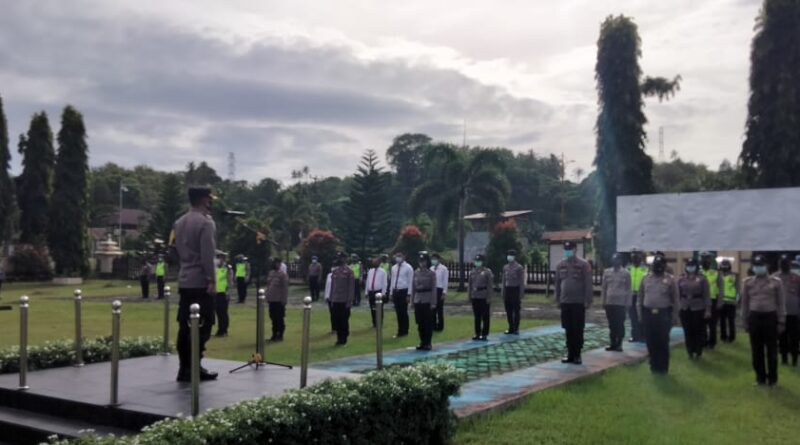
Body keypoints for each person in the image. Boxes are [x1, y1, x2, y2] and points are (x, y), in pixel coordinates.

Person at [171, 185, 218, 382]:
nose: (211, 203)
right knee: (204, 325)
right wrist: (212, 279)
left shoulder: (179, 222)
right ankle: (194, 366)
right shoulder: (206, 223)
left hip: (185, 279)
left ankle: (184, 368)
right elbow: (207, 255)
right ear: (204, 200)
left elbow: (173, 250)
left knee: (185, 325)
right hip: (200, 281)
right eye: (209, 199)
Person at [742, 254, 785, 386]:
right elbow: (745, 303)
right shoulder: (748, 282)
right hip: (754, 318)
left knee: (772, 350)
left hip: (770, 317)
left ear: (766, 266)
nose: (758, 268)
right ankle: (760, 378)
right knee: (756, 350)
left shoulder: (776, 282)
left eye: (760, 266)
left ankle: (773, 379)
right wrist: (745, 321)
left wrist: (781, 320)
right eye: (756, 266)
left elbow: (781, 303)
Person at [639, 254, 679, 374]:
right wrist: (640, 314)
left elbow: (675, 299)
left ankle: (663, 367)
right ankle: (653, 364)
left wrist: (675, 316)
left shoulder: (670, 280)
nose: (658, 267)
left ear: (664, 266)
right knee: (650, 340)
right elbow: (640, 298)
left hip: (663, 314)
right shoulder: (645, 278)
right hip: (648, 313)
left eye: (660, 265)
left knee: (662, 341)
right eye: (656, 265)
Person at [555, 240, 593, 365]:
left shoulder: (584, 265)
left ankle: (577, 354)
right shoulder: (560, 265)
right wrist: (557, 299)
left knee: (578, 329)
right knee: (568, 328)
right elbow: (557, 284)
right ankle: (570, 354)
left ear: (575, 249)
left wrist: (588, 300)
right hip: (565, 302)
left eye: (570, 249)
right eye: (566, 249)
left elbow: (588, 284)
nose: (568, 251)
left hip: (578, 302)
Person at [678, 258, 711, 360]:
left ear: (696, 267)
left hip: (698, 307)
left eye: (692, 265)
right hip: (685, 307)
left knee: (698, 330)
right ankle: (690, 351)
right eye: (688, 265)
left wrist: (708, 310)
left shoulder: (702, 279)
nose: (690, 267)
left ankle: (698, 351)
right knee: (688, 330)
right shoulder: (681, 279)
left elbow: (706, 295)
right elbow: (677, 295)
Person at [602, 253, 631, 352]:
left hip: (620, 303)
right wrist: (603, 301)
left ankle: (619, 344)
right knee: (611, 324)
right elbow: (604, 288)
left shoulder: (626, 273)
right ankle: (613, 343)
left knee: (619, 324)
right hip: (609, 302)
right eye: (614, 260)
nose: (615, 262)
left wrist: (628, 303)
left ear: (621, 261)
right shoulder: (607, 272)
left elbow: (628, 289)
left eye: (617, 260)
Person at [775, 256, 800, 366]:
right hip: (780, 313)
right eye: (783, 264)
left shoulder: (796, 278)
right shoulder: (774, 277)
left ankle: (794, 359)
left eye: (786, 264)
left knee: (794, 338)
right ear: (780, 265)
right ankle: (784, 359)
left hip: (794, 312)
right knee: (782, 337)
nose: (784, 266)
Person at [329, 252, 355, 346]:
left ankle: (344, 339)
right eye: (339, 258)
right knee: (337, 320)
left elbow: (351, 288)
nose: (340, 260)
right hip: (336, 300)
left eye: (342, 258)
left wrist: (349, 301)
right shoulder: (335, 271)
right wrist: (331, 299)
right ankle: (339, 338)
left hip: (344, 300)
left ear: (345, 259)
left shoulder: (349, 271)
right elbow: (332, 287)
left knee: (344, 320)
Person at [412, 252, 437, 350]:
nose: (422, 263)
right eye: (420, 261)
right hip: (418, 299)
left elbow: (434, 288)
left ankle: (428, 342)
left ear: (427, 262)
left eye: (424, 261)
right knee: (420, 323)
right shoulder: (416, 272)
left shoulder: (431, 273)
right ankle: (422, 342)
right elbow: (413, 287)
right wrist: (412, 301)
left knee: (428, 323)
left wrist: (433, 302)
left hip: (427, 299)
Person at [700, 251, 723, 349]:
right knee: (702, 323)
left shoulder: (715, 273)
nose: (705, 260)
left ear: (710, 260)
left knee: (712, 324)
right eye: (703, 258)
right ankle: (703, 341)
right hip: (700, 301)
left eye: (707, 258)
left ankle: (712, 343)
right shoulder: (698, 272)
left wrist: (720, 301)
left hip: (713, 300)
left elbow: (721, 288)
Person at [469, 254, 493, 341]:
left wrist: (489, 297)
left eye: (479, 261)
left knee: (485, 316)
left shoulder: (487, 272)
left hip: (483, 295)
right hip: (475, 296)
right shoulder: (472, 271)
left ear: (482, 262)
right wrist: (470, 296)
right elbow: (470, 285)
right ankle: (477, 333)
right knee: (477, 316)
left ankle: (484, 333)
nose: (477, 262)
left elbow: (490, 285)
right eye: (476, 261)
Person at [390, 252, 414, 338]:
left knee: (403, 312)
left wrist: (409, 294)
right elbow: (392, 280)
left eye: (400, 256)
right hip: (396, 290)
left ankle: (405, 330)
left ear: (404, 257)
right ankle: (400, 330)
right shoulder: (393, 268)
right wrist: (391, 293)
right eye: (397, 257)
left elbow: (410, 282)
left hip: (404, 291)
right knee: (398, 312)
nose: (398, 258)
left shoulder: (408, 268)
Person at [502, 249, 525, 335]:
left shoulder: (519, 267)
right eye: (508, 255)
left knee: (516, 310)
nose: (509, 257)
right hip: (508, 289)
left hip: (515, 289)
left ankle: (516, 328)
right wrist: (503, 292)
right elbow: (504, 280)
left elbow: (521, 281)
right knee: (508, 310)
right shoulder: (505, 267)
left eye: (511, 255)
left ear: (514, 257)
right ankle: (510, 327)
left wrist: (521, 292)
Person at [266, 257, 289, 342]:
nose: (276, 265)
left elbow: (285, 289)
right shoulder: (271, 273)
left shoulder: (282, 275)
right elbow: (268, 286)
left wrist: (284, 300)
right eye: (275, 263)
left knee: (279, 318)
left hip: (279, 300)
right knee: (273, 318)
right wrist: (267, 296)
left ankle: (280, 335)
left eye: (278, 263)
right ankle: (274, 334)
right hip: (272, 299)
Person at [628, 250, 648, 342]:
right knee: (632, 317)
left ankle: (643, 335)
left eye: (636, 257)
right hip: (631, 295)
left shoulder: (645, 268)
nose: (635, 259)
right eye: (633, 257)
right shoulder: (628, 268)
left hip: (642, 296)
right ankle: (634, 335)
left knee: (641, 315)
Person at [719, 259, 739, 343]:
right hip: (721, 302)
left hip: (731, 302)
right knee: (722, 321)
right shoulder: (718, 275)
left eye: (726, 265)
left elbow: (738, 289)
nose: (724, 267)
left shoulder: (734, 275)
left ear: (729, 266)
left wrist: (737, 300)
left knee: (731, 321)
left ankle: (731, 337)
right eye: (723, 265)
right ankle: (723, 337)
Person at [365, 257, 388, 328]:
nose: (374, 263)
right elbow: (368, 281)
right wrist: (366, 292)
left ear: (379, 263)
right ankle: (374, 323)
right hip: (371, 291)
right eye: (373, 262)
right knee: (372, 308)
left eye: (376, 262)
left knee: (379, 308)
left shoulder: (383, 271)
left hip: (379, 291)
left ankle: (379, 323)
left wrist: (384, 293)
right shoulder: (370, 271)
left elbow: (385, 283)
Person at [213, 250, 232, 337]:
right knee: (218, 312)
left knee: (223, 312)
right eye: (217, 257)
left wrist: (228, 293)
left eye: (219, 257)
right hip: (216, 293)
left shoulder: (227, 268)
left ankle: (224, 330)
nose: (218, 259)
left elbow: (230, 281)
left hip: (224, 293)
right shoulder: (215, 268)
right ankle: (220, 330)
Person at [431, 253, 448, 332]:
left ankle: (440, 326)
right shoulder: (431, 268)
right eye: (433, 259)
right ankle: (433, 325)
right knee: (432, 309)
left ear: (439, 259)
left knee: (439, 309)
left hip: (439, 289)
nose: (434, 260)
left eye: (435, 259)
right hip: (432, 290)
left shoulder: (443, 269)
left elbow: (445, 281)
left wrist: (444, 292)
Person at [324, 268, 335, 333]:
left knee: (337, 313)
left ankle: (338, 327)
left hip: (337, 297)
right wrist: (326, 296)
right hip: (329, 297)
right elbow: (327, 286)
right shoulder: (329, 275)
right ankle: (333, 328)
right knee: (332, 313)